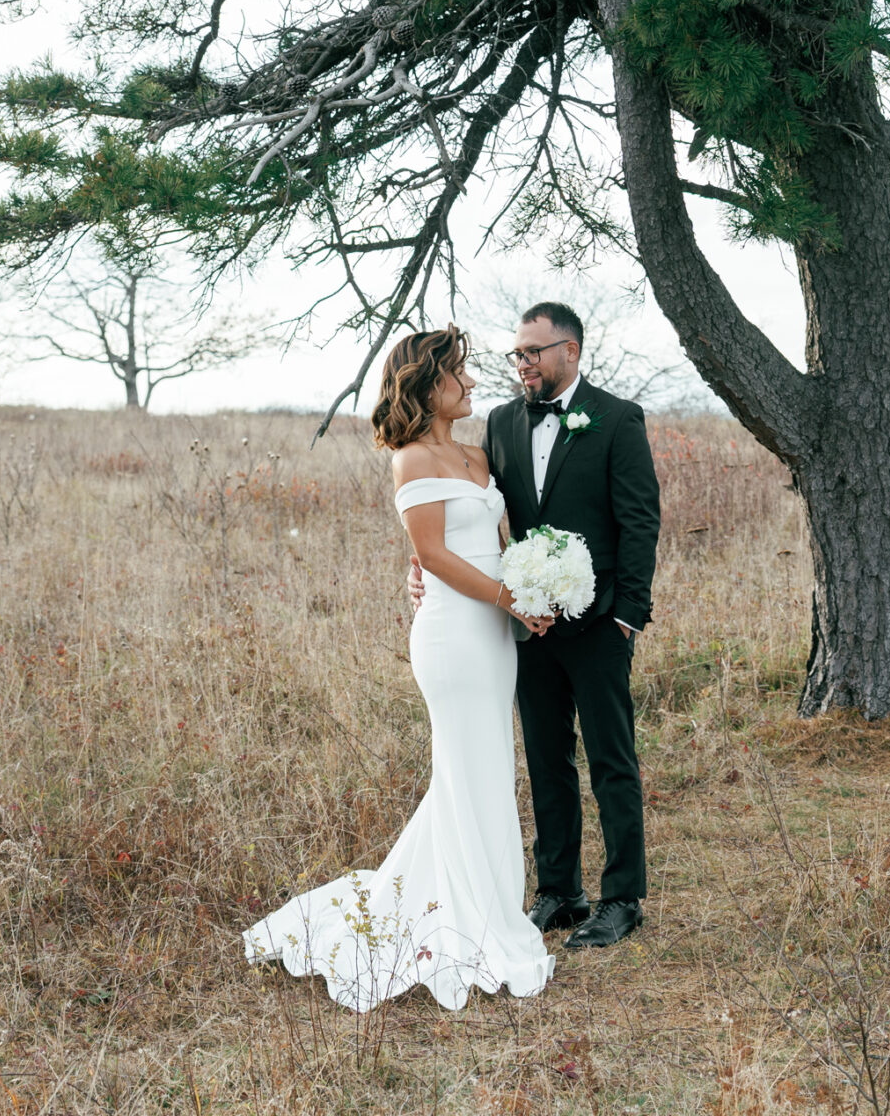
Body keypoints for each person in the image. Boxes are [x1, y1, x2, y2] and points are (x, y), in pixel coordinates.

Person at [243, 327, 556, 1010]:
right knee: (465, 768)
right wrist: (506, 598)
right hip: (452, 637)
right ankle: (464, 917)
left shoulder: (478, 454)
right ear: (425, 385)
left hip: (495, 636)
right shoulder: (411, 460)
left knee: (485, 773)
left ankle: (490, 902)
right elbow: (437, 558)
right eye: (458, 376)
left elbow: (493, 542)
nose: (471, 385)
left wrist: (529, 591)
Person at [483, 300, 662, 947]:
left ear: (571, 351)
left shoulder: (616, 419)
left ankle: (622, 899)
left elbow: (640, 519)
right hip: (530, 628)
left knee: (612, 760)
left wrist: (626, 617)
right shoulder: (500, 423)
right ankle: (558, 890)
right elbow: (485, 517)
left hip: (599, 622)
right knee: (545, 759)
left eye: (533, 351)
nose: (523, 364)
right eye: (518, 353)